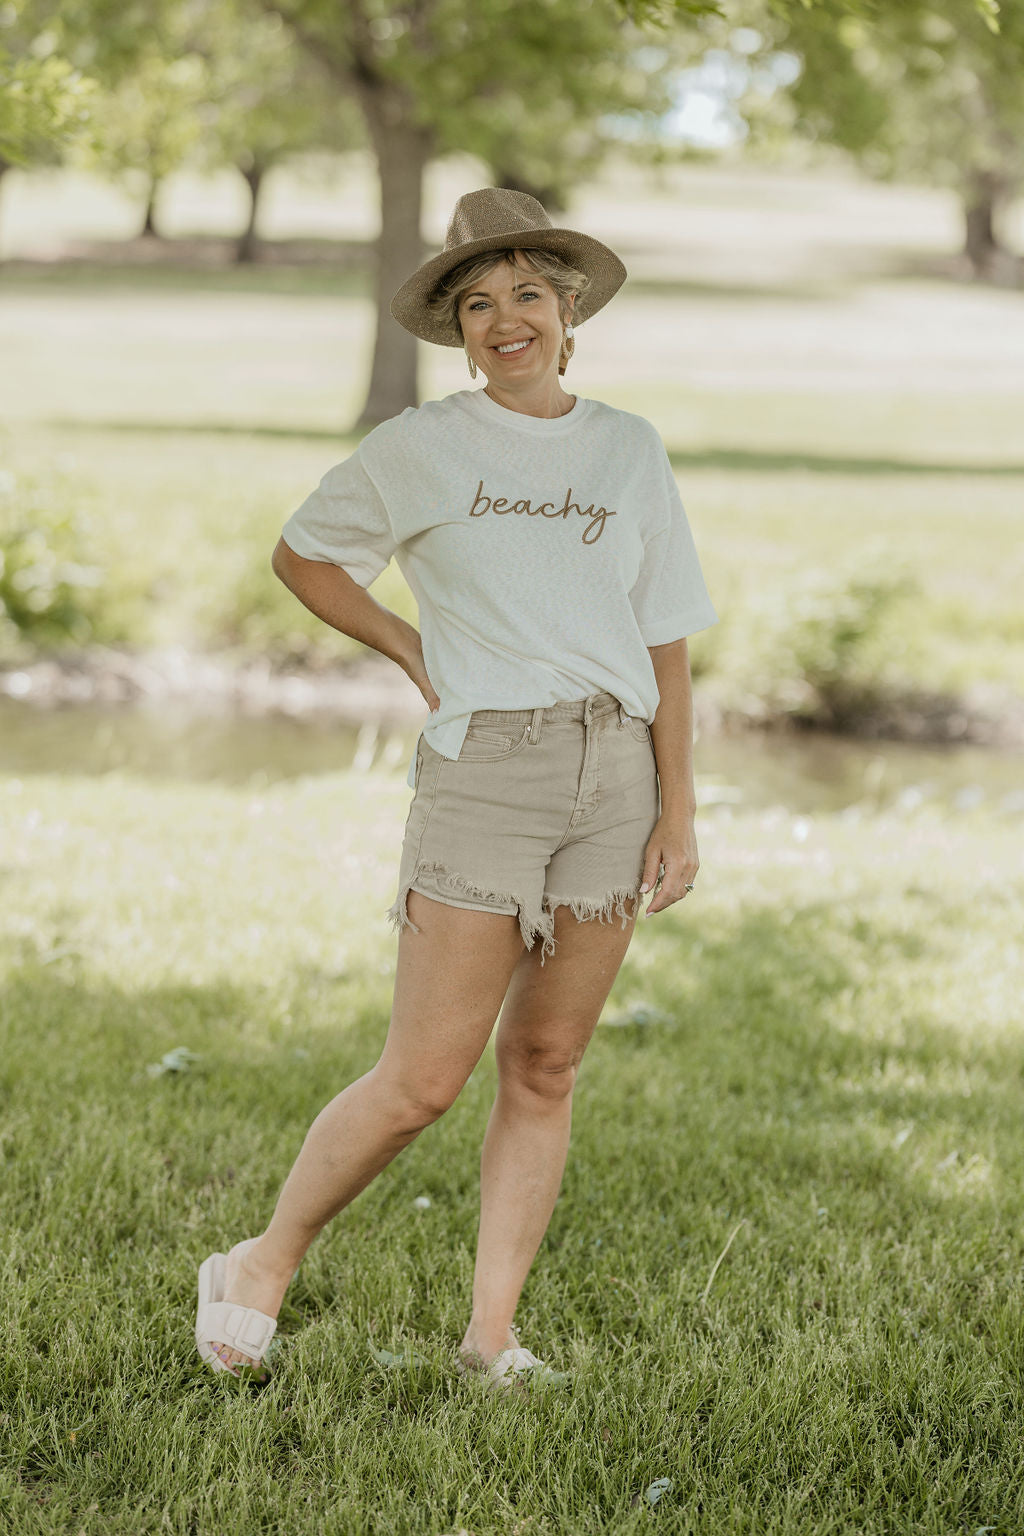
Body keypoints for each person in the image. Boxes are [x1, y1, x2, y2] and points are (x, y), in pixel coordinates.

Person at [194, 188, 718, 1393]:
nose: (503, 320)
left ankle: (491, 1339)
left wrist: (677, 808)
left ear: (568, 308)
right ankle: (261, 1260)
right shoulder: (419, 448)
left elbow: (666, 638)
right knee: (424, 1078)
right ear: (458, 330)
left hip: (615, 777)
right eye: (477, 303)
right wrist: (409, 648)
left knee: (545, 1065)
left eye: (526, 293)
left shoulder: (627, 448)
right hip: (487, 772)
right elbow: (302, 554)